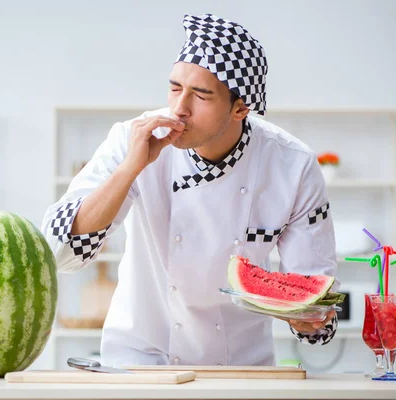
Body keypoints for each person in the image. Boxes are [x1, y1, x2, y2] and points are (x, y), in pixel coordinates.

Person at [41, 13, 338, 367]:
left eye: (200, 95)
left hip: (240, 370)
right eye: (174, 88)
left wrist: (310, 319)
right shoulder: (131, 138)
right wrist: (131, 167)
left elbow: (317, 310)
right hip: (139, 363)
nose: (179, 108)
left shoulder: (293, 166)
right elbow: (60, 251)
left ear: (240, 108)